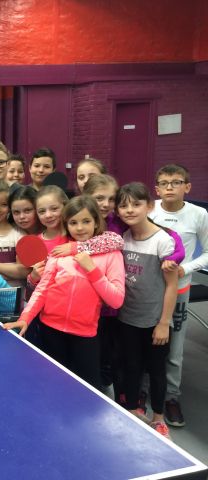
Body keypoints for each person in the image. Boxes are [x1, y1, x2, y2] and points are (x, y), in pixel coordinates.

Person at [4, 195, 125, 389]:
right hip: (50, 330)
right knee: (51, 385)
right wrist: (25, 317)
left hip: (85, 335)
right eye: (73, 222)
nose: (79, 228)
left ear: (96, 222)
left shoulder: (111, 255)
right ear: (66, 225)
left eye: (86, 221)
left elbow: (117, 300)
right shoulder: (60, 253)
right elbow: (42, 290)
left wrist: (92, 270)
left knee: (86, 390)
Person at [115, 182, 178, 438]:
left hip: (155, 321)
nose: (129, 210)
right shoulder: (124, 238)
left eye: (136, 204)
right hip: (127, 318)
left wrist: (164, 322)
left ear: (150, 206)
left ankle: (159, 418)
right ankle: (133, 410)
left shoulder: (163, 240)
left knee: (156, 371)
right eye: (123, 205)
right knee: (131, 366)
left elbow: (171, 286)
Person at [150, 164, 208, 427]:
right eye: (164, 183)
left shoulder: (199, 214)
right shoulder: (148, 209)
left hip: (180, 290)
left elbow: (207, 252)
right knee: (146, 341)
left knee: (174, 348)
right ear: (157, 188)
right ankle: (143, 392)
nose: (169, 187)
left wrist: (185, 268)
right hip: (150, 290)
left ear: (187, 187)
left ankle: (171, 397)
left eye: (176, 182)